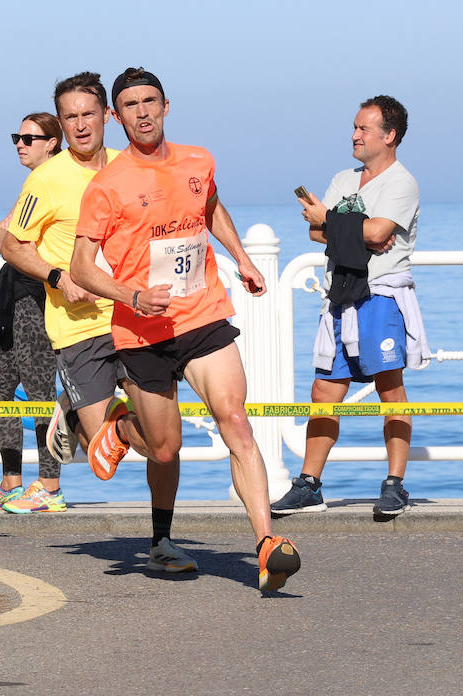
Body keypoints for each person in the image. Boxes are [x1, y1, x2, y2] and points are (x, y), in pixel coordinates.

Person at [69, 67, 300, 592]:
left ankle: (266, 545)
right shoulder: (106, 186)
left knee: (234, 420)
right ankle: (127, 438)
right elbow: (82, 268)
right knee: (165, 448)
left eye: (150, 101)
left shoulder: (199, 160)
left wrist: (240, 257)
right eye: (130, 105)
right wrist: (132, 296)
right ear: (115, 116)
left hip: (202, 314)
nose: (142, 112)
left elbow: (210, 206)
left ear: (167, 106)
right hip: (142, 329)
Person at [1, 73, 157, 524]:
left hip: (132, 320)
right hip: (78, 325)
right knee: (100, 460)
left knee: (157, 441)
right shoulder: (46, 180)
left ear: (107, 116)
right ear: (62, 124)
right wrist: (57, 276)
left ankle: (160, 535)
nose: (81, 124)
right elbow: (13, 245)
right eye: (71, 117)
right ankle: (76, 417)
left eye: (89, 114)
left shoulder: (128, 166)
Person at [272, 95, 429, 518]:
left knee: (389, 388)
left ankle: (395, 484)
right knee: (323, 391)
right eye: (355, 128)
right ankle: (309, 484)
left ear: (389, 135)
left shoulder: (401, 183)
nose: (355, 135)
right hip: (339, 295)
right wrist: (354, 231)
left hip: (380, 295)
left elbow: (376, 231)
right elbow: (317, 235)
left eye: (364, 128)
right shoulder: (343, 179)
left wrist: (334, 222)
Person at [0, 113, 62, 511]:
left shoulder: (54, 181)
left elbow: (7, 238)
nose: (20, 143)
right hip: (11, 298)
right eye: (17, 136)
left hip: (39, 297)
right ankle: (11, 480)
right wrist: (7, 237)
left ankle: (49, 487)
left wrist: (8, 238)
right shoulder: (33, 184)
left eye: (30, 137)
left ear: (52, 142)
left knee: (40, 393)